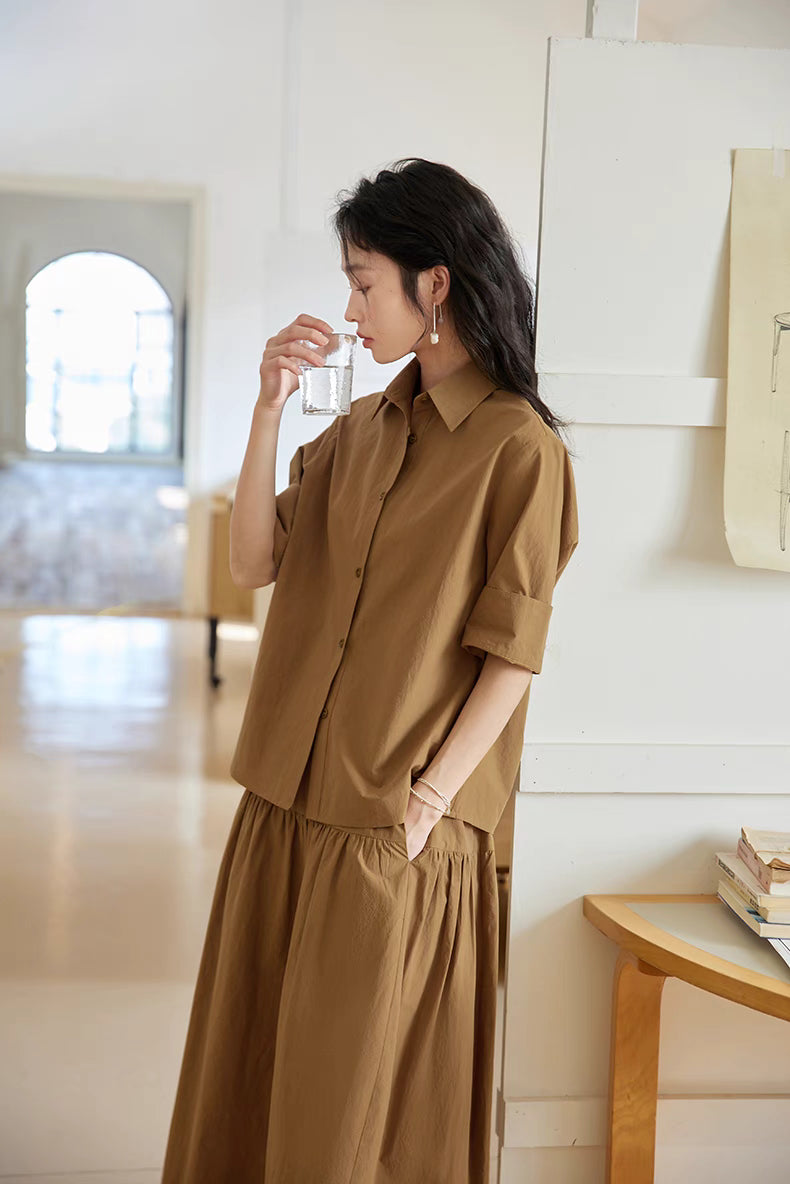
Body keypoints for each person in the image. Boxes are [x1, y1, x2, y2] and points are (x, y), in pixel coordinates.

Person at [161, 157, 579, 1183]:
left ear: (433, 284)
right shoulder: (356, 431)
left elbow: (511, 654)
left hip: (391, 827)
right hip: (285, 809)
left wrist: (427, 801)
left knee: (352, 1110)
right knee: (257, 1078)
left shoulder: (519, 451)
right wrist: (267, 409)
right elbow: (255, 559)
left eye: (363, 281)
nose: (350, 307)